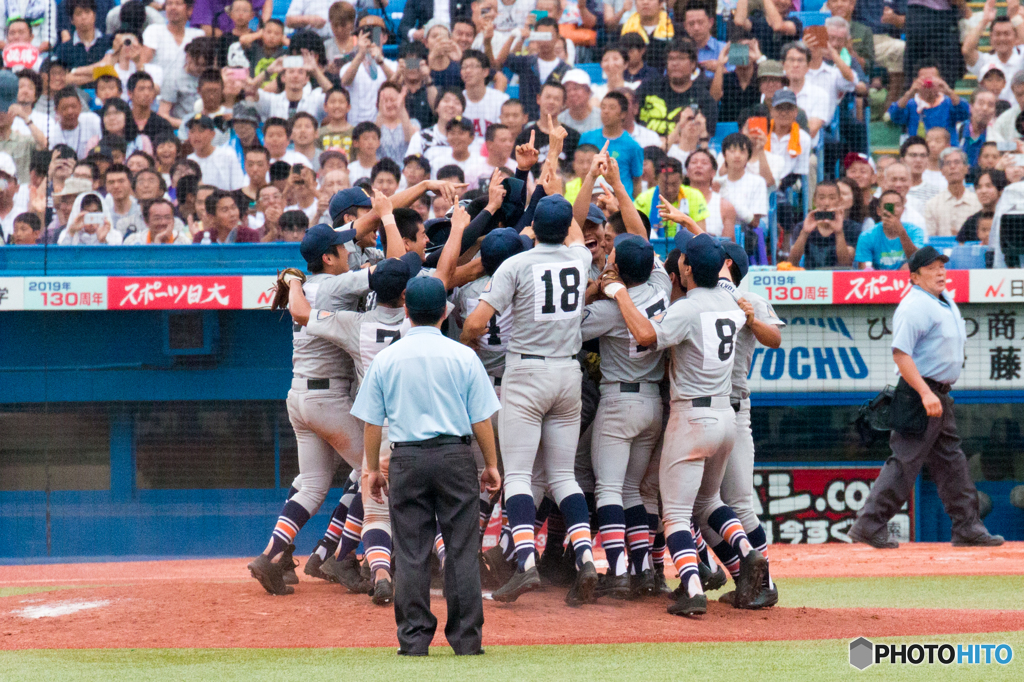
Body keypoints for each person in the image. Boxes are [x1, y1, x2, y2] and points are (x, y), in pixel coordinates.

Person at [603, 232, 767, 615]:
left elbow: (645, 335)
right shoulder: (730, 299)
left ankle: (692, 589)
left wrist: (618, 294)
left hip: (693, 416)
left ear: (688, 268)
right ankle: (745, 550)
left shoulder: (688, 308)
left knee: (676, 513)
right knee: (709, 501)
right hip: (727, 416)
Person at [461, 186, 600, 606]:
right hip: (567, 372)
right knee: (562, 476)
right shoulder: (581, 258)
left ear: (534, 227)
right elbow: (576, 233)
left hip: (525, 371)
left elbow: (473, 324)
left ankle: (524, 564)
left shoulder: (516, 264)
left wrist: (470, 343)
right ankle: (587, 558)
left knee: (518, 475)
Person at [349, 274, 500, 657]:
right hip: (454, 455)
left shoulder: (387, 358)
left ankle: (414, 640)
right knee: (462, 549)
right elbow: (481, 418)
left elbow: (371, 421)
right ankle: (467, 640)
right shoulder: (463, 355)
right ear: (445, 311)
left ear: (406, 311)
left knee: (412, 551)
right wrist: (492, 464)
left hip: (407, 457)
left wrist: (372, 470)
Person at [850, 247, 1004, 549]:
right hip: (921, 394)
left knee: (952, 462)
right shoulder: (914, 305)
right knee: (905, 461)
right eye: (932, 268)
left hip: (938, 394)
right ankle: (869, 524)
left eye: (942, 267)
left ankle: (967, 526)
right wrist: (924, 393)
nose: (941, 272)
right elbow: (901, 354)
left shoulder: (942, 300)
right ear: (915, 276)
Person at [635, 39, 717, 137]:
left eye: (681, 58)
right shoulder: (649, 87)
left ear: (693, 64)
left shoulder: (704, 99)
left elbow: (705, 135)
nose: (675, 63)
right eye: (671, 59)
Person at [579, 93, 644, 198]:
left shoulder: (633, 146)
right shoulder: (586, 138)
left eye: (612, 108)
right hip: (590, 200)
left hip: (619, 204)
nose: (605, 111)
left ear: (623, 114)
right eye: (603, 107)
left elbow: (637, 181)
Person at [888, 62, 969, 140]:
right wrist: (910, 93)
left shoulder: (949, 102)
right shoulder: (911, 104)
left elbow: (965, 114)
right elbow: (895, 117)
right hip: (919, 149)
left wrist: (948, 91)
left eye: (933, 79)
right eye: (924, 79)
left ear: (941, 79)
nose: (929, 83)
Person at [854, 190, 925, 270]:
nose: (893, 210)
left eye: (897, 205)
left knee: (907, 267)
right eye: (888, 206)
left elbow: (918, 261)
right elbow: (864, 270)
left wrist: (901, 232)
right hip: (878, 279)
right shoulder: (867, 236)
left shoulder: (915, 231)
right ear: (879, 211)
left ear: (903, 210)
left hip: (907, 279)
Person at [923, 147, 981, 238]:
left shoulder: (978, 202)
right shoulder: (932, 204)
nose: (952, 167)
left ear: (967, 168)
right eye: (947, 163)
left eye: (957, 162)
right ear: (941, 171)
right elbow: (929, 239)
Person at [186, 115, 246, 191]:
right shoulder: (188, 161)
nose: (196, 135)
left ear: (212, 134)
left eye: (201, 131)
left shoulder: (228, 155)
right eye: (192, 131)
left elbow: (238, 188)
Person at [957, 169, 1006, 243]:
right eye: (979, 187)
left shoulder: (1009, 220)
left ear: (1000, 190)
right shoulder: (971, 223)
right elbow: (960, 248)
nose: (983, 191)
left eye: (989, 186)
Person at [123, 198, 192, 244]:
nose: (163, 222)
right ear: (146, 222)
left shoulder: (183, 242)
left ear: (173, 221)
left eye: (167, 218)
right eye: (157, 218)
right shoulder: (133, 242)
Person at [559, 68, 602, 134]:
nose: (572, 93)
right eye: (568, 90)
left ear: (588, 92)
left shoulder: (602, 118)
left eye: (576, 88)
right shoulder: (560, 121)